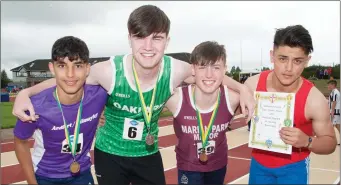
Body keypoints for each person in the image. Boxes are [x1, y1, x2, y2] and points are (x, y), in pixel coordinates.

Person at [12, 5, 255, 185]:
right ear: (129, 38)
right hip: (110, 154)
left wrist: (243, 88)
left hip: (147, 153)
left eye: (157, 38)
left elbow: (210, 74)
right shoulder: (109, 71)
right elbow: (69, 77)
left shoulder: (177, 70)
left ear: (167, 41)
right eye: (140, 37)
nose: (148, 47)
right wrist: (27, 91)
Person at [244, 25, 337, 184]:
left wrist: (308, 141)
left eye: (297, 61)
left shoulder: (314, 100)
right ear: (272, 56)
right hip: (259, 165)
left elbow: (330, 143)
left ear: (307, 61)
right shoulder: (251, 85)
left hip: (295, 167)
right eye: (282, 59)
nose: (288, 68)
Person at [13, 36, 108, 184]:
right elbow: (20, 142)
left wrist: (103, 115)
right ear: (52, 68)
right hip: (46, 176)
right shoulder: (34, 106)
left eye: (77, 66)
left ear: (87, 69)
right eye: (62, 66)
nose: (70, 75)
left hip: (82, 174)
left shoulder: (99, 95)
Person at [165, 41, 240, 184]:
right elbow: (158, 73)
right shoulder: (175, 98)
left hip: (218, 165)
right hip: (188, 166)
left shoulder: (234, 99)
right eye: (202, 67)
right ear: (192, 69)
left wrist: (244, 90)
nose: (209, 74)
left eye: (216, 67)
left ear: (225, 70)